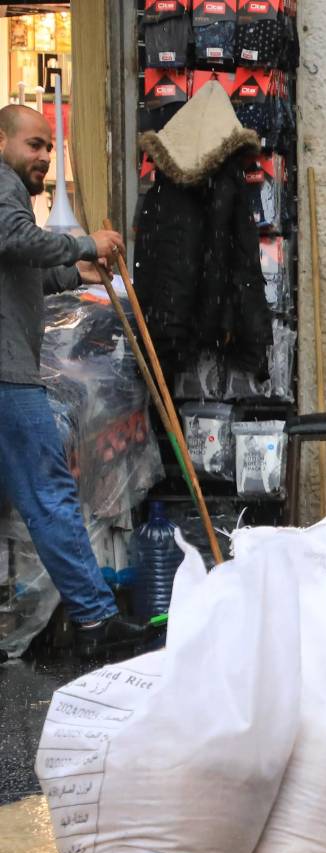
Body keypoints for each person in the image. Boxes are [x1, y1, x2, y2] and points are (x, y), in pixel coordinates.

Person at [0, 103, 146, 655]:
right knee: (50, 495)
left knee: (41, 496)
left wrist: (72, 272)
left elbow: (17, 269)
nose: (42, 157)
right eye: (33, 145)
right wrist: (85, 244)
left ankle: (90, 619)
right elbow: (14, 238)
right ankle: (94, 621)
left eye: (47, 148)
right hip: (8, 374)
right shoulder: (1, 186)